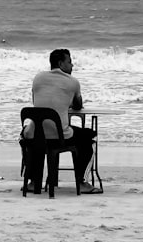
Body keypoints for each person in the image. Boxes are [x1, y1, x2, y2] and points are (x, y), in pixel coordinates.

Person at [29, 48, 100, 193]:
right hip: (60, 136)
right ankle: (81, 182)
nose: (72, 65)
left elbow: (35, 101)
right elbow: (78, 106)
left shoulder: (38, 78)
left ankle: (32, 181)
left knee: (25, 138)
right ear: (61, 64)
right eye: (70, 62)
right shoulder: (72, 82)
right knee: (89, 137)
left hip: (37, 135)